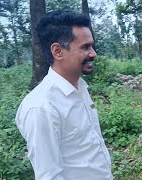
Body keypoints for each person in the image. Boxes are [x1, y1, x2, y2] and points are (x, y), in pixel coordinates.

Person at [15, 10, 113, 179]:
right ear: (58, 51)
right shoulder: (42, 107)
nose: (93, 54)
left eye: (92, 46)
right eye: (85, 47)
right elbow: (49, 175)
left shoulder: (80, 88)